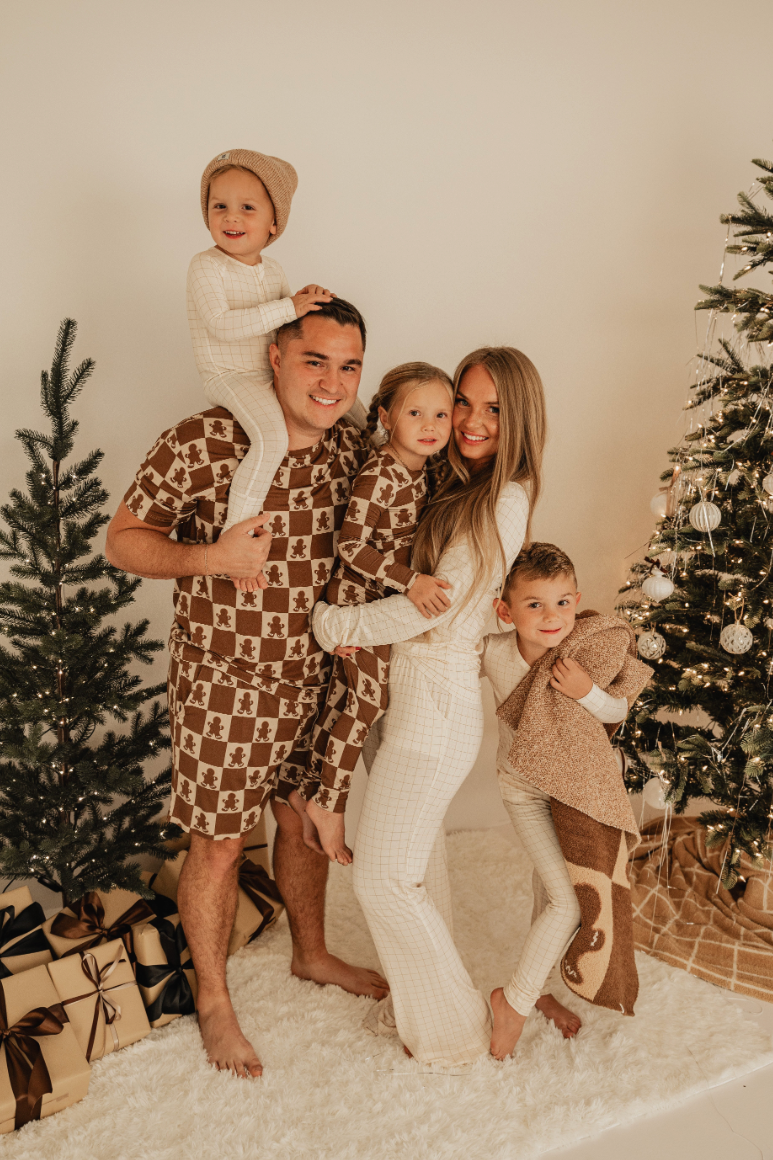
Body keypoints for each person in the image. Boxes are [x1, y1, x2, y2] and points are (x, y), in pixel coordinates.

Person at [105, 297, 388, 1081]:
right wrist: (211, 559)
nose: (331, 382)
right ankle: (216, 1001)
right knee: (221, 844)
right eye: (314, 360)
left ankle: (312, 952)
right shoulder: (204, 439)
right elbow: (123, 539)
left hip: (317, 678)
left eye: (348, 365)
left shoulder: (352, 450)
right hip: (224, 682)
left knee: (303, 823)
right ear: (273, 356)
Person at [312, 346, 546, 1069]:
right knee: (422, 865)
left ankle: (452, 1034)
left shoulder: (504, 498)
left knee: (384, 876)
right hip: (402, 697)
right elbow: (371, 414)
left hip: (435, 704)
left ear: (520, 420)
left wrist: (335, 626)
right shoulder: (448, 479)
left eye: (492, 409)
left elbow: (435, 613)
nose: (470, 422)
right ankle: (419, 1008)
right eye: (463, 403)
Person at [292, 362, 456, 865]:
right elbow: (350, 545)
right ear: (387, 416)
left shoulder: (426, 469)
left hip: (382, 606)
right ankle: (328, 803)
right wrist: (411, 582)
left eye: (441, 415)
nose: (430, 426)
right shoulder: (380, 474)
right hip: (356, 603)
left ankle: (306, 789)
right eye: (415, 413)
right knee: (365, 703)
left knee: (346, 698)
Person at [481, 543, 630, 1060]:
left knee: (554, 894)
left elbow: (616, 710)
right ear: (506, 611)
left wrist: (587, 691)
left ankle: (535, 988)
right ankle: (513, 1003)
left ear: (578, 600)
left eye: (563, 603)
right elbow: (434, 660)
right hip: (524, 790)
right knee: (566, 904)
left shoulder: (583, 652)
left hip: (577, 790)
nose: (552, 617)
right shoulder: (493, 652)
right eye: (535, 605)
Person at [188, 148, 365, 541]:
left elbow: (293, 326)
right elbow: (220, 325)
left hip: (272, 368)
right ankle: (237, 537)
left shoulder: (275, 271)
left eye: (247, 207)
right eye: (219, 206)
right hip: (231, 375)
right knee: (272, 440)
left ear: (273, 224)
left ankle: (382, 442)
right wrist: (288, 305)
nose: (231, 217)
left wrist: (311, 299)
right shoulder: (206, 265)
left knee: (348, 397)